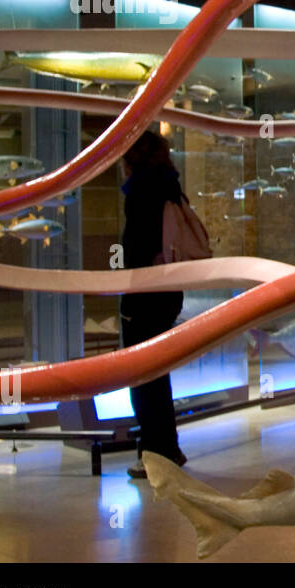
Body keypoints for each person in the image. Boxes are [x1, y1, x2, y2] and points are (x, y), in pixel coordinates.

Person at [119, 130, 188, 479]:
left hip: (144, 295)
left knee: (143, 374)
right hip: (169, 291)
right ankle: (166, 447)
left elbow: (136, 247)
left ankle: (155, 451)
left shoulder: (140, 191)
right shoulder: (170, 185)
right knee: (159, 373)